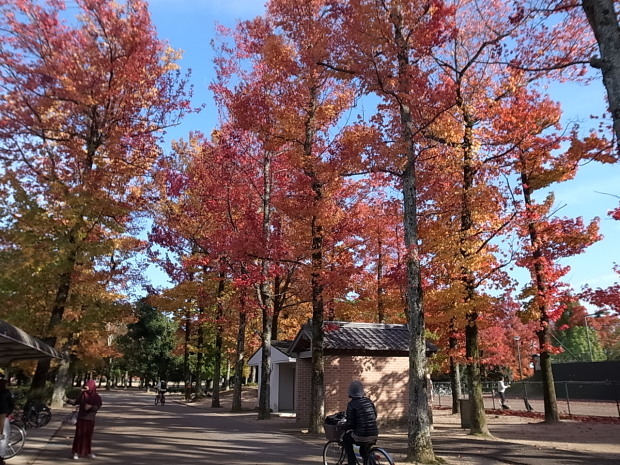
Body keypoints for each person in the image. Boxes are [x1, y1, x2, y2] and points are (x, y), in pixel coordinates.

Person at [343, 381, 379, 465]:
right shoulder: (369, 401)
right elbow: (375, 415)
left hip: (361, 435)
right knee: (363, 450)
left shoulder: (351, 404)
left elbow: (350, 423)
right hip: (374, 434)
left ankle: (351, 463)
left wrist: (344, 427)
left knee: (346, 439)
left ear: (350, 392)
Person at [72, 380, 102, 460]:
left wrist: (91, 407)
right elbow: (75, 402)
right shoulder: (82, 394)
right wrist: (67, 400)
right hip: (81, 418)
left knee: (88, 436)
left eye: (88, 385)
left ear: (92, 386)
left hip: (90, 419)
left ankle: (88, 452)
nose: (86, 387)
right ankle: (76, 452)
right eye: (85, 385)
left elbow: (98, 406)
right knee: (79, 435)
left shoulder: (96, 397)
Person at [0, 379, 15, 465]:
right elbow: (11, 404)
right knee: (4, 436)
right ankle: (0, 457)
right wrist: (9, 413)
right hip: (3, 415)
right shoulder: (6, 392)